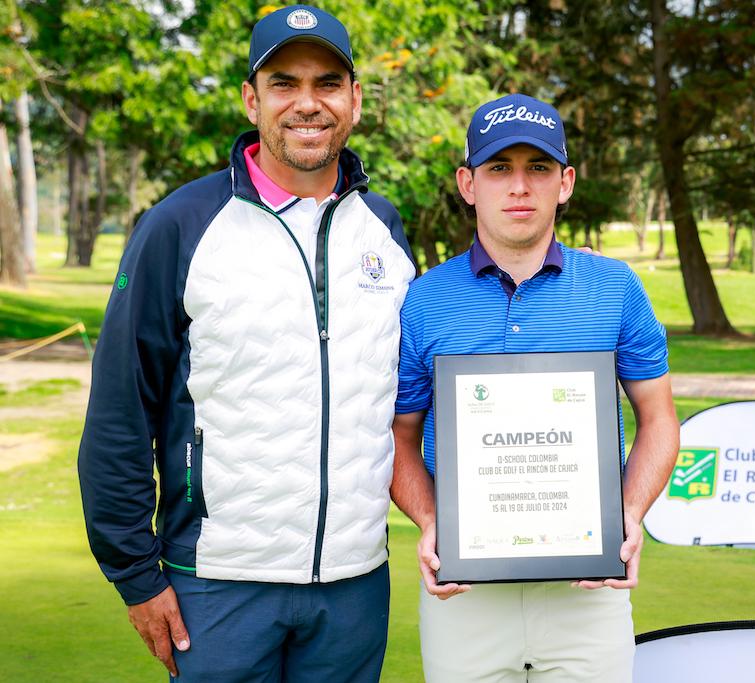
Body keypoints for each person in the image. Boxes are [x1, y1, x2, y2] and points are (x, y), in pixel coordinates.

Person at [77, 6, 415, 681]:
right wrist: (136, 575)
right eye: (284, 83)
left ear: (353, 97)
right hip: (219, 585)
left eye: (327, 82)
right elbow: (120, 409)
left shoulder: (382, 227)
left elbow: (402, 399)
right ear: (251, 99)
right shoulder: (182, 225)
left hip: (354, 583)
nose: (308, 104)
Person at [390, 94, 680, 682]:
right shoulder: (423, 299)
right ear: (468, 183)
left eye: (538, 168)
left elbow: (659, 418)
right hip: (465, 595)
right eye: (499, 169)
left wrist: (627, 513)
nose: (518, 187)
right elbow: (399, 437)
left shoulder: (615, 288)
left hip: (587, 592)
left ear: (565, 182)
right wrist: (430, 522)